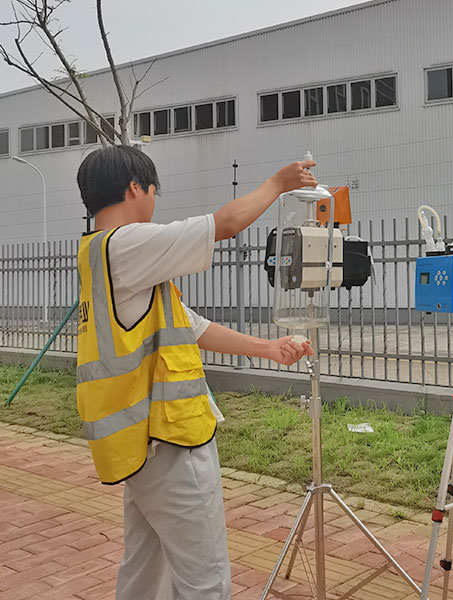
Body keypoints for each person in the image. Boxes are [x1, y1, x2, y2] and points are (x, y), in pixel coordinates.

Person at [75, 145, 316, 599]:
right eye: (153, 191)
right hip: (172, 442)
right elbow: (223, 224)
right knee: (204, 580)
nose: (154, 202)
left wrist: (266, 347)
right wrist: (278, 184)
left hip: (140, 446)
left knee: (146, 571)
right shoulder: (127, 243)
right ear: (134, 187)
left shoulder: (100, 255)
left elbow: (191, 325)